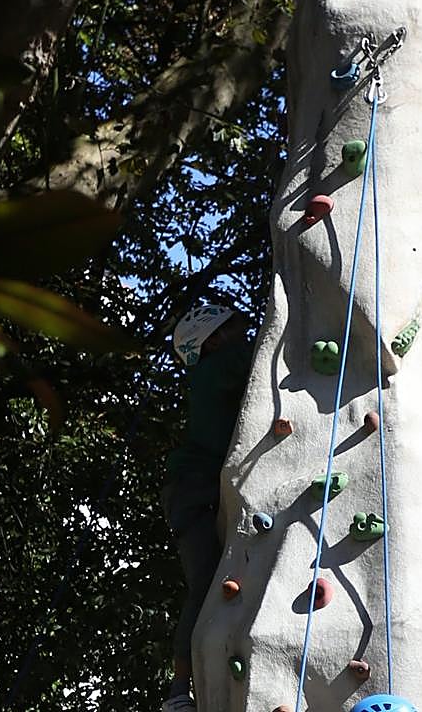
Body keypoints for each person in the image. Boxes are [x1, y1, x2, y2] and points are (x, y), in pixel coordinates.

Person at [161, 305, 252, 711]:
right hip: (193, 491)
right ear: (212, 341)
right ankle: (179, 692)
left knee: (222, 583)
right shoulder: (219, 367)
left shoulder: (212, 371)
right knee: (204, 584)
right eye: (232, 329)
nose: (242, 333)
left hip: (200, 491)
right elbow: (268, 355)